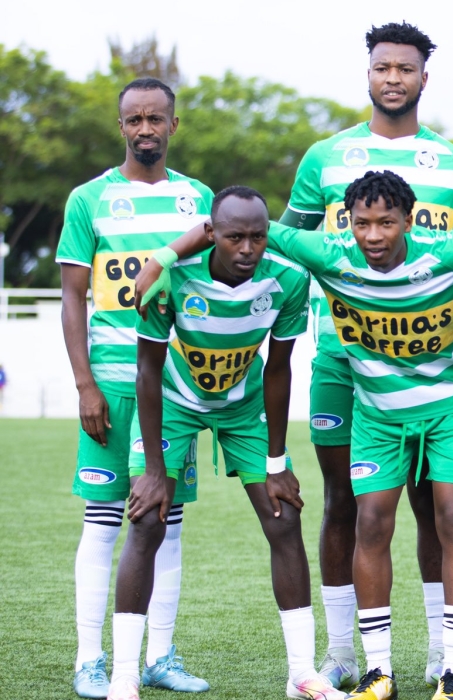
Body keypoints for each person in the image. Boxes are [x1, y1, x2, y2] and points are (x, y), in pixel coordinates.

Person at [134, 170, 453, 700]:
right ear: (347, 223)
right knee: (370, 521)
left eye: (387, 223)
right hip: (378, 412)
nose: (375, 235)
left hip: (449, 407)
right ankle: (377, 671)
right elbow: (239, 226)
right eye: (362, 223)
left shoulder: (451, 250)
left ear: (409, 221)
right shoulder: (325, 251)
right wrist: (164, 257)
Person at [278, 21, 453, 690]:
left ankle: (441, 657)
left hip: (430, 367)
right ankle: (347, 653)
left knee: (438, 505)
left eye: (405, 68)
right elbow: (290, 245)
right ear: (366, 74)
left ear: (424, 79)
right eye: (381, 67)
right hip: (344, 361)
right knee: (347, 502)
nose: (392, 77)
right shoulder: (324, 158)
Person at [110, 186, 332, 700]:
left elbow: (279, 369)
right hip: (174, 404)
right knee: (146, 519)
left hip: (243, 406)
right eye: (235, 237)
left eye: (257, 236)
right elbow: (145, 371)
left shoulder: (288, 279)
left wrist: (277, 460)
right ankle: (125, 673)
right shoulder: (171, 279)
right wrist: (154, 469)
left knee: (285, 516)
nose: (248, 249)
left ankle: (301, 673)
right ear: (212, 234)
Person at [55, 77, 208, 699]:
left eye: (156, 118)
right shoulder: (88, 199)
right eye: (134, 119)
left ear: (174, 125)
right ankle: (90, 659)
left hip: (173, 394)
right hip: (113, 388)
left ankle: (160, 655)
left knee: (166, 525)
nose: (145, 128)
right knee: (103, 522)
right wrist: (84, 383)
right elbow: (72, 298)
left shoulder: (198, 199)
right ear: (121, 127)